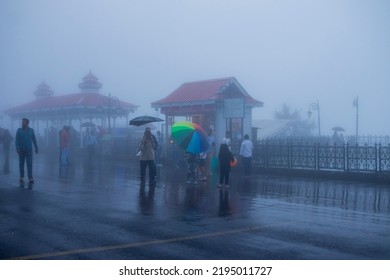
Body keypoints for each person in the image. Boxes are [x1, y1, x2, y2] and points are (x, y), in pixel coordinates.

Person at [15, 118, 38, 184]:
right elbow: (17, 140)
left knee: (29, 164)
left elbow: (34, 139)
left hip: (29, 150)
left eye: (24, 122)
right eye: (22, 122)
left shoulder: (31, 131)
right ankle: (21, 176)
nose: (22, 123)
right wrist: (17, 148)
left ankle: (30, 177)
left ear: (27, 123)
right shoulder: (19, 130)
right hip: (21, 150)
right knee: (21, 164)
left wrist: (36, 147)